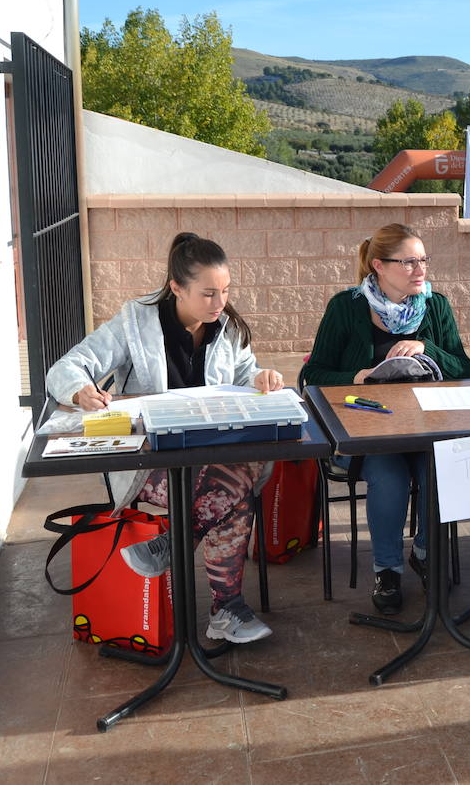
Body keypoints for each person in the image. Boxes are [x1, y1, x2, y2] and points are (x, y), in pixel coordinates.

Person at [46, 233, 285, 643]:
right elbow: (69, 365)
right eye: (208, 294)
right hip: (151, 463)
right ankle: (226, 609)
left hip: (213, 457)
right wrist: (79, 390)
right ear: (176, 287)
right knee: (234, 489)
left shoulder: (226, 326)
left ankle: (173, 544)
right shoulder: (135, 322)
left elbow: (244, 373)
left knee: (228, 483)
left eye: (225, 291)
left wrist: (261, 377)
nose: (219, 303)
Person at [303, 223, 470, 616]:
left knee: (438, 469)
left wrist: (425, 346)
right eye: (409, 261)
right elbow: (316, 375)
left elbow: (463, 368)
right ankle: (387, 570)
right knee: (390, 476)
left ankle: (425, 554)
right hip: (364, 428)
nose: (421, 269)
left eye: (424, 260)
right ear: (379, 265)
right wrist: (356, 377)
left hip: (425, 426)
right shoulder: (346, 306)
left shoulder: (437, 306)